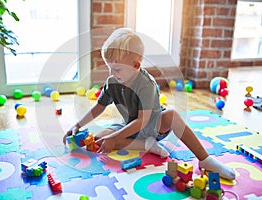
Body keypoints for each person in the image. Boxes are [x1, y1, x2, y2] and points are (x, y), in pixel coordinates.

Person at [63, 28, 235, 180]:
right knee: (100, 139)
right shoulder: (112, 81)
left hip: (152, 125)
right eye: (109, 68)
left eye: (117, 69)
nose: (112, 73)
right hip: (129, 126)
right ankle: (146, 145)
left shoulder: (146, 84)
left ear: (136, 65)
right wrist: (77, 125)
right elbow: (99, 107)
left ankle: (205, 159)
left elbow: (143, 121)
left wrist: (115, 137)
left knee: (172, 115)